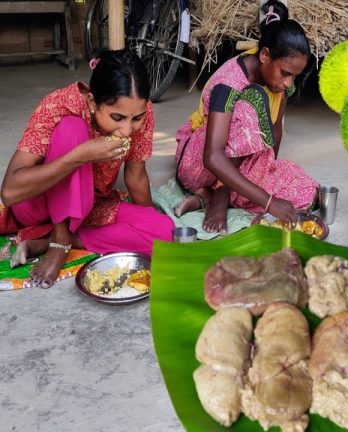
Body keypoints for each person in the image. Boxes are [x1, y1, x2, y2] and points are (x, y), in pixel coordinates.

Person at [0, 49, 175, 288]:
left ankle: (51, 240)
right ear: (92, 101)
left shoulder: (141, 110)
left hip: (88, 208)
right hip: (37, 204)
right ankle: (58, 241)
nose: (127, 129)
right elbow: (10, 192)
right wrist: (80, 156)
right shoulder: (60, 104)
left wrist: (148, 218)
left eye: (136, 119)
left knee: (164, 230)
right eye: (117, 117)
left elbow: (135, 176)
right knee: (72, 129)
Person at [173, 0, 318, 233]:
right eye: (285, 73)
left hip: (238, 163)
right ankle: (218, 199)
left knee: (305, 192)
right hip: (200, 162)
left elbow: (275, 130)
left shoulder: (279, 83)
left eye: (294, 76)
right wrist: (268, 201)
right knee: (253, 100)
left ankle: (206, 198)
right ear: (264, 55)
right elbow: (212, 156)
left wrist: (268, 170)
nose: (288, 83)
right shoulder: (229, 82)